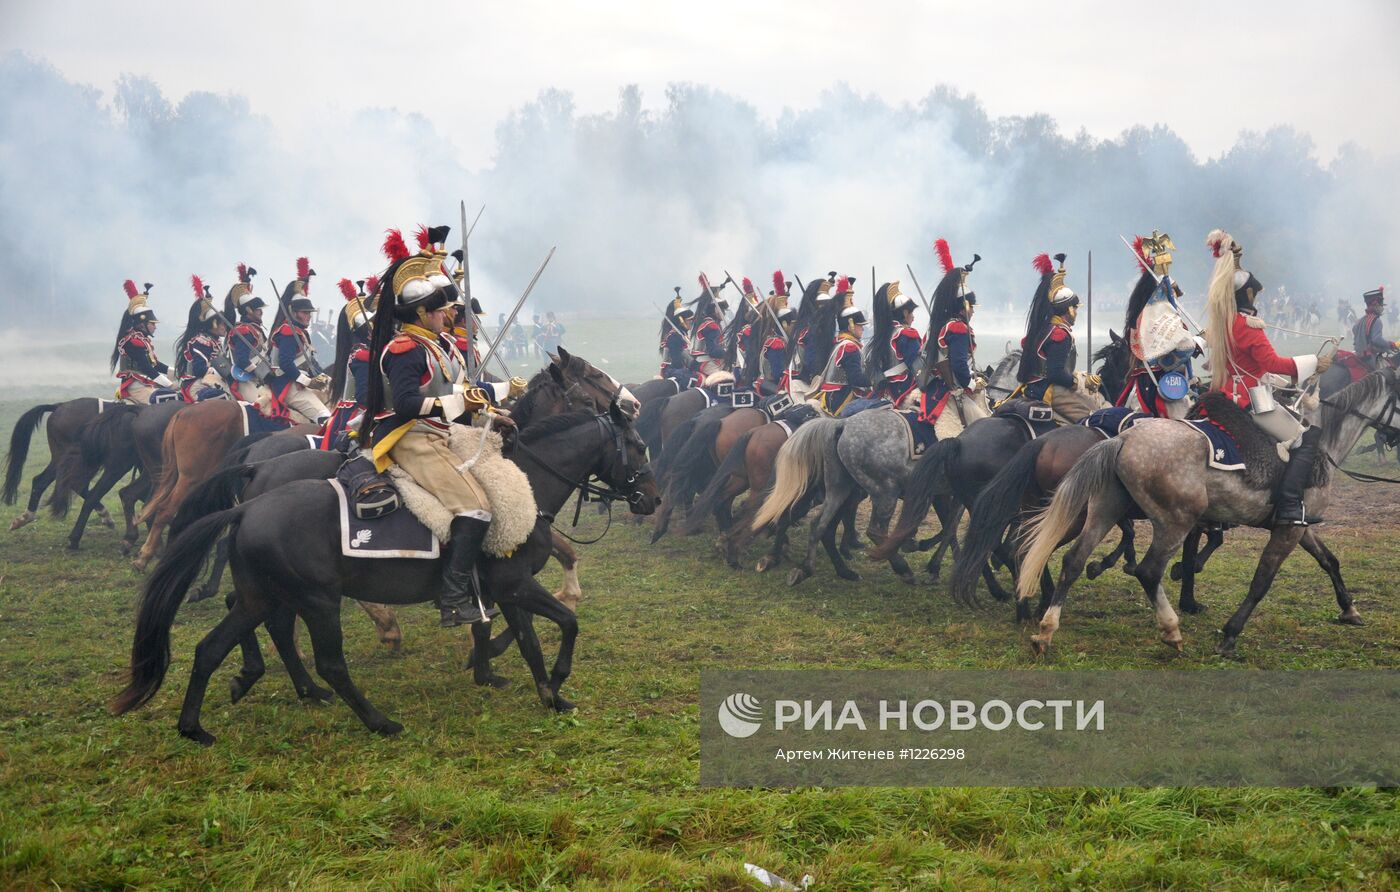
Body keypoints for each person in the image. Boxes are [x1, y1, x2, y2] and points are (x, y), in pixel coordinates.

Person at [362, 227, 514, 628]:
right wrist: (460, 402)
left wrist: (497, 401)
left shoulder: (436, 345)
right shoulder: (405, 349)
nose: (450, 315)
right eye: (442, 310)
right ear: (421, 313)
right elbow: (410, 404)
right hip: (410, 437)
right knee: (476, 506)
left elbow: (464, 392)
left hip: (440, 433)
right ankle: (451, 598)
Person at [1202, 229, 1331, 526]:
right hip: (1249, 401)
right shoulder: (1248, 325)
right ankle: (1288, 506)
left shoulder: (1223, 322)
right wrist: (1314, 362)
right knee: (1305, 438)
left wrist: (1234, 259)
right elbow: (1272, 362)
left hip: (1220, 397)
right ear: (1249, 294)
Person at [1117, 232, 1201, 419]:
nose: (1177, 298)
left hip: (1142, 386)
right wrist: (1201, 340)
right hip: (1161, 388)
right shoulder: (1159, 314)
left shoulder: (1145, 314)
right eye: (1175, 293)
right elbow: (1182, 348)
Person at [1014, 252, 1100, 423]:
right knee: (1093, 417)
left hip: (1032, 387)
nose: (1076, 312)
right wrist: (1079, 382)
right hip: (1049, 390)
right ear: (1069, 309)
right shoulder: (1060, 334)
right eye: (1075, 308)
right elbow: (1055, 373)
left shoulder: (1044, 328)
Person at [919, 239, 981, 423]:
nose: (973, 311)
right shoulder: (957, 327)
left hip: (932, 385)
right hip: (949, 388)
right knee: (983, 422)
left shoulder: (940, 325)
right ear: (964, 306)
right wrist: (972, 384)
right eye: (972, 306)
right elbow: (960, 365)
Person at [268, 256, 330, 424]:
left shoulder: (299, 332)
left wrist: (324, 378)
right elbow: (285, 363)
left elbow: (310, 362)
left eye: (309, 313)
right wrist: (309, 381)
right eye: (304, 312)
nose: (308, 316)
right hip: (288, 385)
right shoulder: (288, 331)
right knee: (325, 416)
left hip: (297, 383)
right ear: (293, 311)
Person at [222, 263, 286, 422]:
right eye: (258, 309)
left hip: (257, 379)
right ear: (249, 311)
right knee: (262, 413)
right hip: (246, 381)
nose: (261, 311)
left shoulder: (253, 329)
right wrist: (261, 374)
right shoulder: (244, 330)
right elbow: (243, 360)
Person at [112, 280, 173, 404]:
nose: (155, 327)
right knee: (166, 401)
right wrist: (168, 383)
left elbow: (154, 364)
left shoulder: (142, 340)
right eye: (152, 324)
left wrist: (175, 372)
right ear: (142, 324)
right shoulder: (134, 341)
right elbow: (146, 367)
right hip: (136, 386)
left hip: (144, 382)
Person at [816, 280, 870, 416]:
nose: (862, 328)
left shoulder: (840, 343)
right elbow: (856, 379)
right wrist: (875, 378)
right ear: (851, 324)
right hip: (842, 398)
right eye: (859, 324)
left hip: (833, 395)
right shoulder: (849, 347)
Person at [865, 280, 922, 408]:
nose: (913, 317)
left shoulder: (883, 335)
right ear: (905, 313)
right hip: (904, 390)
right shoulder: (906, 334)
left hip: (886, 392)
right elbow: (919, 369)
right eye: (911, 312)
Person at [174, 276, 230, 402]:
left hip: (212, 380)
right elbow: (199, 369)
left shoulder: (215, 341)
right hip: (198, 384)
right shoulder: (201, 341)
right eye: (222, 323)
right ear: (214, 323)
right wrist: (224, 371)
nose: (224, 327)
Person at [689, 276, 727, 380]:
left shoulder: (703, 322)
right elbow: (713, 351)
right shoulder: (711, 325)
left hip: (699, 362)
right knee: (727, 379)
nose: (723, 312)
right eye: (721, 309)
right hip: (706, 363)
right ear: (714, 309)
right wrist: (729, 352)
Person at [659, 289, 695, 388]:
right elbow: (677, 360)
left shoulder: (682, 333)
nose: (691, 323)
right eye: (690, 321)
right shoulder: (675, 336)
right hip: (673, 369)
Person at [1352, 287, 1395, 369]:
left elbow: (1354, 329)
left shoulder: (1360, 320)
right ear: (1376, 305)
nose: (1382, 308)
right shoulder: (1376, 320)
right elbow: (1376, 339)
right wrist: (1390, 344)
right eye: (1381, 305)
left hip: (1358, 354)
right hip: (1370, 357)